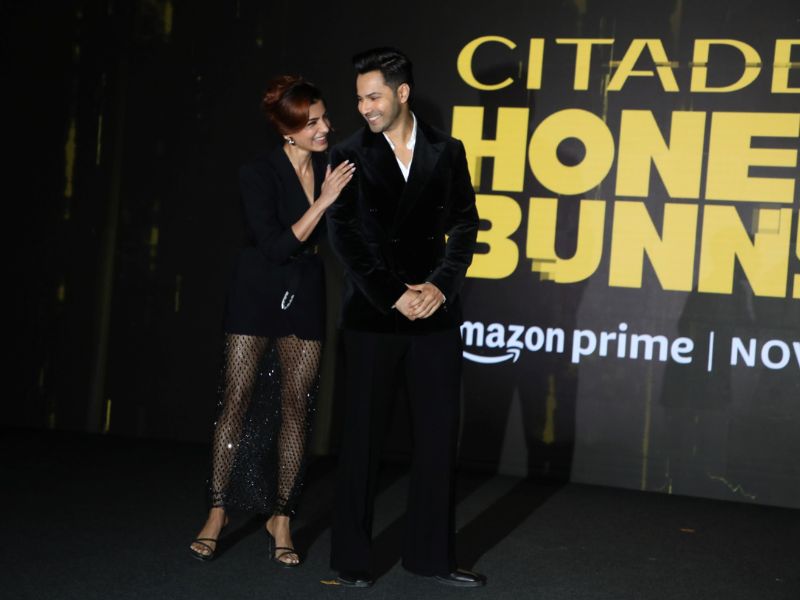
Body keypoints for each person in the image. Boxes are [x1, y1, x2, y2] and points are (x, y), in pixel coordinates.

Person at [326, 48, 484, 587]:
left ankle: (431, 557)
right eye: (359, 99)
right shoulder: (348, 153)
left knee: (438, 440)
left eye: (373, 96)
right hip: (374, 316)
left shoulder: (447, 150)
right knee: (362, 440)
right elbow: (344, 236)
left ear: (402, 93)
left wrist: (439, 286)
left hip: (435, 315)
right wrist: (395, 294)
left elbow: (466, 224)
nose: (364, 107)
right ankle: (351, 560)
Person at [188, 76, 355, 566]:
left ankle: (281, 517)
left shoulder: (332, 166)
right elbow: (277, 246)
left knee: (297, 407)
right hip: (256, 290)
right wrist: (323, 201)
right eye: (312, 123)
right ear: (288, 131)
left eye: (325, 117)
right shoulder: (258, 173)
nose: (325, 128)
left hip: (305, 290)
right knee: (236, 399)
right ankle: (217, 511)